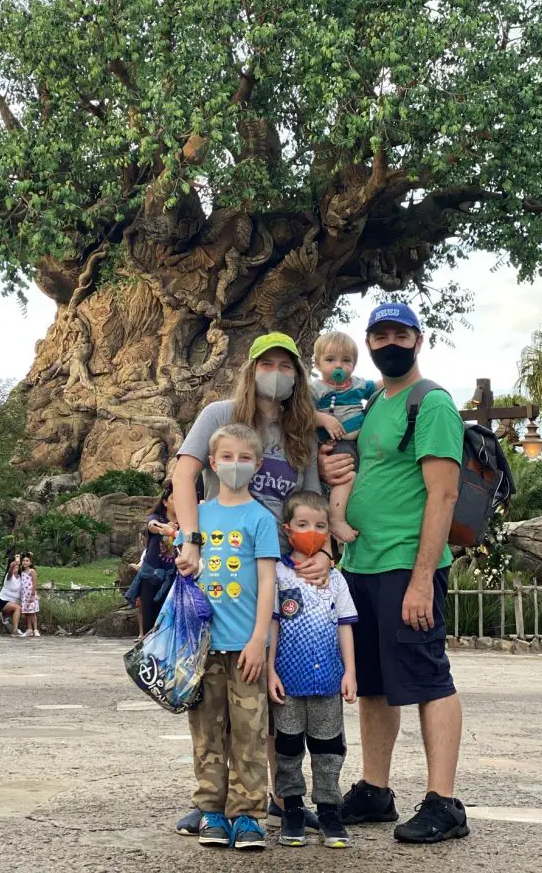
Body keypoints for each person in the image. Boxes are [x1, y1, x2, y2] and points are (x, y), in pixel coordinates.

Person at [173, 331, 330, 837]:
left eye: (288, 365)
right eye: (269, 364)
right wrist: (190, 540)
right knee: (212, 700)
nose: (277, 373)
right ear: (251, 368)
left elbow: (311, 504)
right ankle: (212, 801)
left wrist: (322, 551)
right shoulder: (220, 415)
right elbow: (184, 474)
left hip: (275, 569)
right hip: (216, 564)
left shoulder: (301, 430)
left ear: (298, 375)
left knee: (263, 694)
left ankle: (270, 798)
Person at [324, 302, 469, 845]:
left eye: (399, 334)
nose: (389, 343)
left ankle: (444, 801)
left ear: (418, 340)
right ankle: (374, 788)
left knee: (429, 676)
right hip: (362, 563)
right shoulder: (373, 402)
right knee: (377, 686)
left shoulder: (428, 403)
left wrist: (421, 579)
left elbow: (444, 493)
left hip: (406, 563)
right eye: (379, 334)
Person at [175, 423, 279, 850]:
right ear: (212, 463)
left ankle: (249, 813)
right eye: (227, 457)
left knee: (250, 733)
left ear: (257, 465)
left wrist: (259, 639)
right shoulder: (198, 516)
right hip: (202, 648)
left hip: (245, 648)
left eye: (245, 458)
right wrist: (185, 559)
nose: (235, 465)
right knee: (206, 732)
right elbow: (185, 564)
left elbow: (268, 582)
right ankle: (211, 809)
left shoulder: (261, 518)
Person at [267, 492, 357, 848]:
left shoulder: (335, 579)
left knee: (329, 748)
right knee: (287, 747)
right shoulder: (278, 574)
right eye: (303, 525)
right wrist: (271, 670)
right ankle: (291, 807)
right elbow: (272, 625)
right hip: (288, 681)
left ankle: (329, 810)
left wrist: (350, 671)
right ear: (288, 529)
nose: (312, 532)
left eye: (320, 525)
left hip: (328, 682)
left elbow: (345, 625)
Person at [310, 330, 381, 541]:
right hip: (335, 442)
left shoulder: (357, 385)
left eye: (346, 361)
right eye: (330, 360)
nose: (339, 366)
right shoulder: (316, 389)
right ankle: (336, 519)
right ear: (317, 365)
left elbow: (377, 386)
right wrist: (324, 420)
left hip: (357, 441)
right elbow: (304, 413)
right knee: (346, 477)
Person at [137, 481, 178, 634]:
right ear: (165, 502)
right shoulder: (156, 518)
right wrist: (165, 529)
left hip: (173, 580)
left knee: (169, 624)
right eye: (174, 498)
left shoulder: (187, 523)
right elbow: (151, 525)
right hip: (151, 577)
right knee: (149, 623)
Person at [0, 553, 25, 637]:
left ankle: (6, 616)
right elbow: (10, 571)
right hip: (2, 601)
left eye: (17, 567)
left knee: (23, 611)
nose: (16, 567)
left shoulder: (20, 578)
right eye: (15, 566)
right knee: (17, 608)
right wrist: (15, 562)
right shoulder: (8, 576)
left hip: (12, 602)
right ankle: (15, 631)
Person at [19, 552, 40, 637]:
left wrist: (32, 595)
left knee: (33, 612)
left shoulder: (32, 571)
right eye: (23, 560)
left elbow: (34, 583)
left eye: (27, 561)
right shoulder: (22, 572)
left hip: (31, 595)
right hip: (24, 596)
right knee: (27, 613)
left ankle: (35, 629)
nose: (25, 562)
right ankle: (29, 629)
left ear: (30, 562)